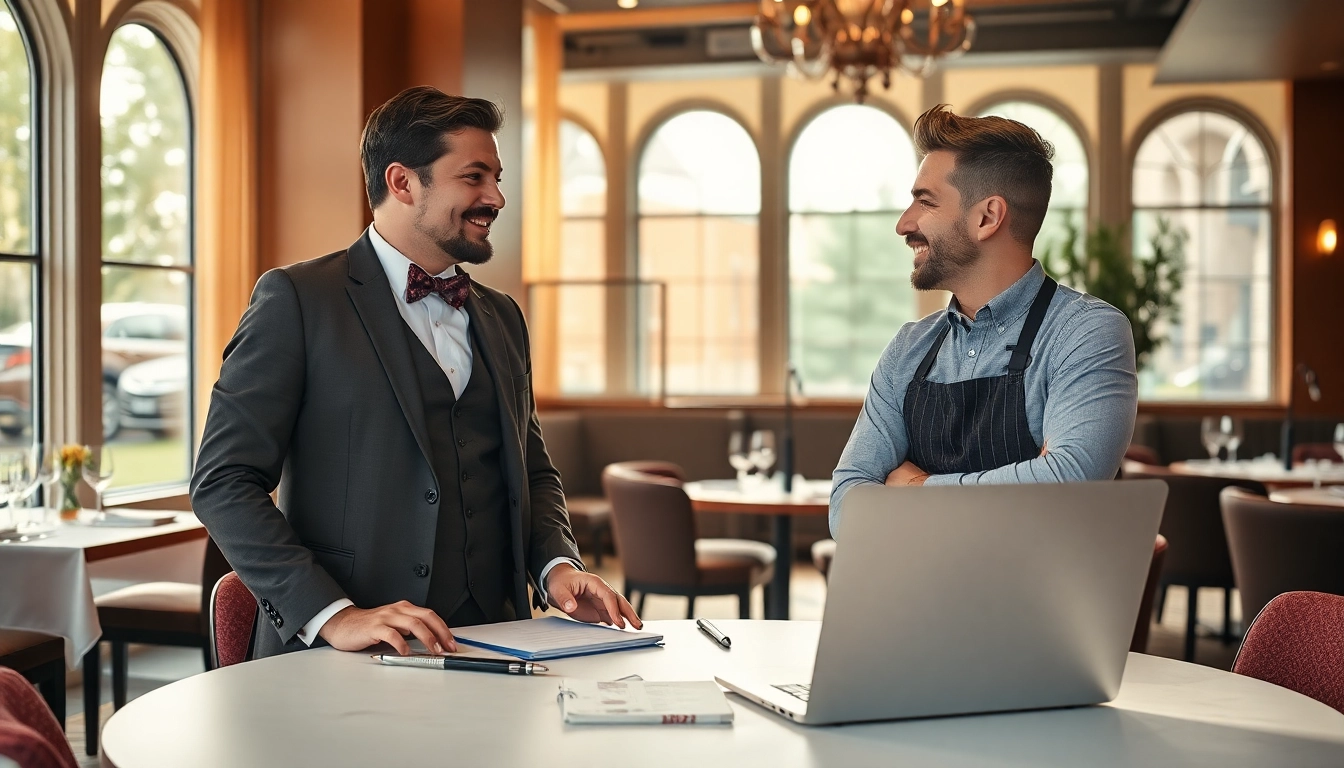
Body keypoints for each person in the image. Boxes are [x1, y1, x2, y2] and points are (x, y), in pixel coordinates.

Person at [191, 86, 640, 659]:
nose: (497, 197)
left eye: (497, 178)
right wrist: (335, 615)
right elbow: (223, 482)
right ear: (403, 183)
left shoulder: (503, 316)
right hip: (344, 658)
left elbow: (530, 470)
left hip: (500, 646)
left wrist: (556, 565)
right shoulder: (298, 301)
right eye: (474, 177)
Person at [829, 105, 1137, 535]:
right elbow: (847, 505)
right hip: (918, 599)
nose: (904, 224)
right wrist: (1025, 478)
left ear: (988, 217)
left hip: (1033, 602)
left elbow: (1068, 484)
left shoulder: (1086, 332)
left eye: (925, 202)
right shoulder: (908, 347)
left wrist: (914, 487)